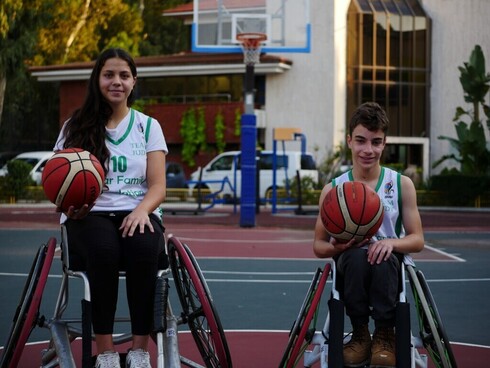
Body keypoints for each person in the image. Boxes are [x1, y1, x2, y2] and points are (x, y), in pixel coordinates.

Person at [54, 48, 168, 368]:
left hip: (138, 209)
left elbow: (158, 186)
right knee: (103, 251)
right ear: (98, 79)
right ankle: (104, 352)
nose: (116, 81)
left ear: (134, 82)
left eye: (123, 75)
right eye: (109, 75)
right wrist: (70, 206)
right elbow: (58, 183)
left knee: (145, 248)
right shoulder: (75, 126)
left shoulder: (148, 126)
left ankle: (139, 349)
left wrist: (142, 210)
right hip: (90, 213)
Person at [313, 102, 424, 367]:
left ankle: (385, 334)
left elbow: (417, 239)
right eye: (361, 141)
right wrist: (339, 247)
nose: (368, 150)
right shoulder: (333, 189)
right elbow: (318, 245)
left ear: (384, 143)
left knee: (382, 258)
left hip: (389, 265)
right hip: (350, 264)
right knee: (355, 259)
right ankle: (360, 333)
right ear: (349, 141)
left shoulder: (401, 184)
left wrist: (391, 242)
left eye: (376, 142)